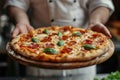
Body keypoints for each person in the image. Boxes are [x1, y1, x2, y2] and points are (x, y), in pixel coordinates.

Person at [5, 0, 114, 80]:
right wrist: (22, 21)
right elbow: (15, 4)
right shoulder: (25, 45)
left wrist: (96, 21)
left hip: (84, 63)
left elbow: (102, 4)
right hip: (39, 65)